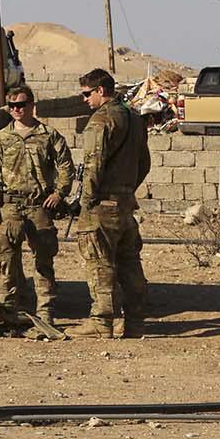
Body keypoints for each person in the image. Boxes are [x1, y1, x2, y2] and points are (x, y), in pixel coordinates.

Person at [70, 67, 152, 339]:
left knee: (99, 262)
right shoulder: (134, 118)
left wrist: (86, 200)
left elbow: (93, 164)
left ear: (100, 90)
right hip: (126, 204)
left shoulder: (101, 120)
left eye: (86, 94)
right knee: (129, 262)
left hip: (102, 204)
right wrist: (127, 189)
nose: (84, 100)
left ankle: (102, 320)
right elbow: (144, 163)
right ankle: (135, 321)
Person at [0, 85, 73, 324]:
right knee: (6, 261)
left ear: (32, 105)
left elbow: (65, 166)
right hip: (10, 207)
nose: (16, 110)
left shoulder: (49, 135)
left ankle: (45, 310)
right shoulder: (3, 137)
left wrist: (59, 193)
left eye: (20, 105)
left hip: (38, 206)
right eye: (11, 106)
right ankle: (7, 309)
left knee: (43, 260)